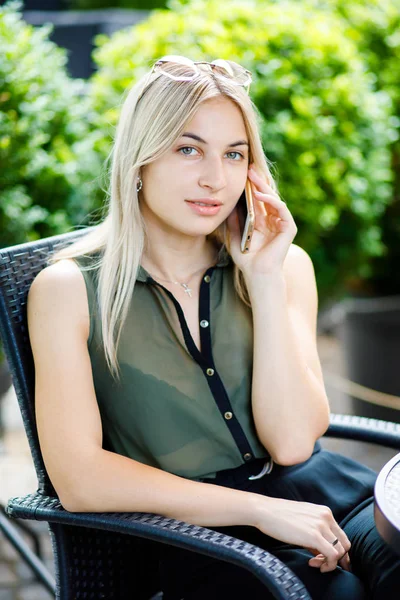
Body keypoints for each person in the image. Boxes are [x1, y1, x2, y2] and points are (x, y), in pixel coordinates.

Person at [27, 55, 400, 599]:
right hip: (198, 534)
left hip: (328, 497)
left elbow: (295, 444)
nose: (214, 179)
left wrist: (266, 280)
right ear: (140, 159)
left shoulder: (282, 265)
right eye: (187, 149)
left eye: (234, 154)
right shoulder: (68, 290)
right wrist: (260, 509)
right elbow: (79, 479)